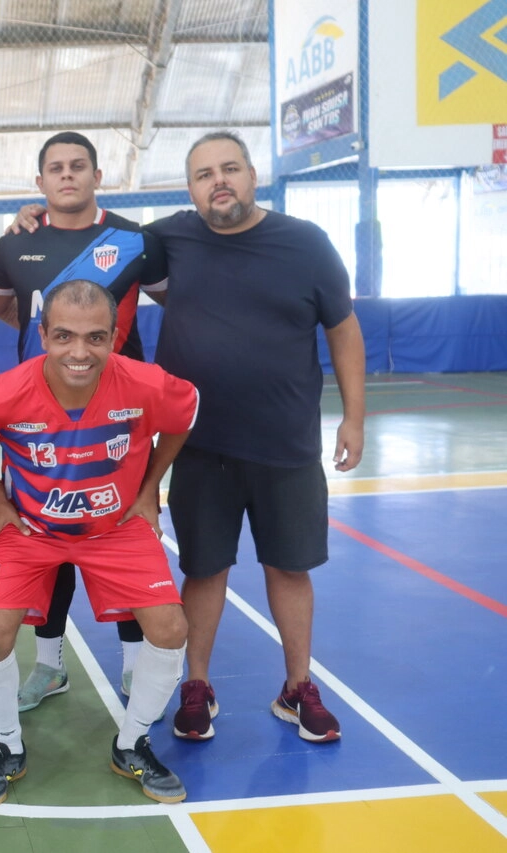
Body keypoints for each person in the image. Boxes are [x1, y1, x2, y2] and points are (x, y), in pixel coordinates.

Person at [146, 130, 365, 743]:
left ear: (252, 176)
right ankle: (197, 685)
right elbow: (85, 235)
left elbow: (344, 330)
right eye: (204, 174)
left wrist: (354, 416)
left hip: (287, 445)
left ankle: (298, 688)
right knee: (204, 570)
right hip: (200, 446)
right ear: (189, 190)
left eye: (230, 168)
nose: (219, 181)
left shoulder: (306, 244)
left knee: (290, 568)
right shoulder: (168, 239)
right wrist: (34, 219)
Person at [0, 280, 197, 807]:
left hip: (116, 528)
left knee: (171, 627)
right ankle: (7, 749)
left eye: (95, 338)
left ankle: (132, 744)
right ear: (42, 334)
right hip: (31, 531)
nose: (79, 352)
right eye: (64, 335)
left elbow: (185, 415)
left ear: (115, 337)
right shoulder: (2, 392)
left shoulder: (145, 384)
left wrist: (150, 488)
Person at [0, 132, 167, 712]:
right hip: (36, 424)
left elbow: (176, 299)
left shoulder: (136, 240)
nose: (67, 176)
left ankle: (135, 666)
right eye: (56, 169)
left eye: (78, 167)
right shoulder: (14, 245)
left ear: (97, 175)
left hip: (118, 418)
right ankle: (50, 665)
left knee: (121, 543)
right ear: (39, 182)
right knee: (48, 539)